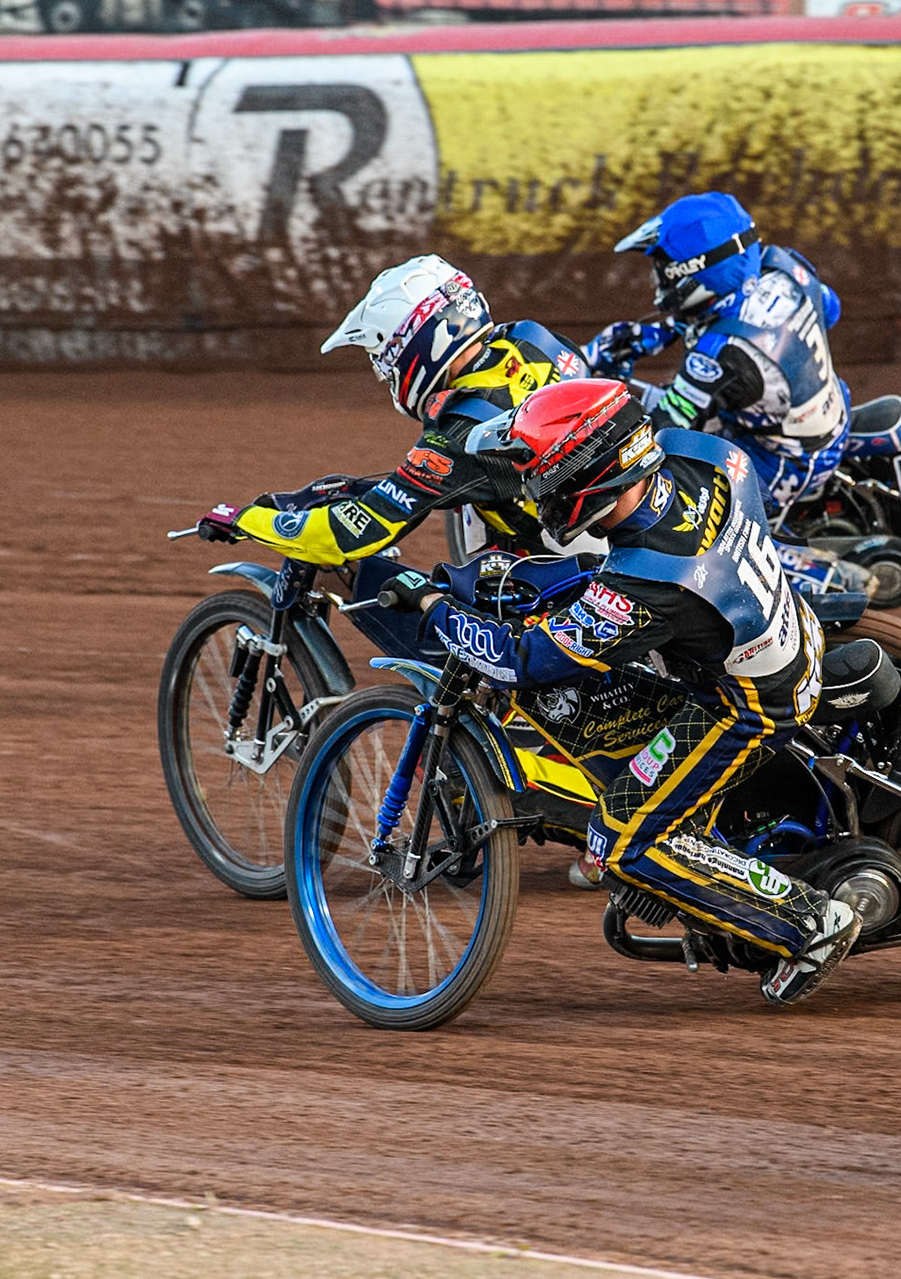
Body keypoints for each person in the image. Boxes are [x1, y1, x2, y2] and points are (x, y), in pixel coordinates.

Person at [385, 376, 862, 1006]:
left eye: (545, 479)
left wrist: (434, 609)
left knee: (619, 837)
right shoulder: (703, 457)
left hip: (748, 703)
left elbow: (520, 660)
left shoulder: (645, 586)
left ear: (587, 482)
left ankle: (808, 925)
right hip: (785, 624)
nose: (536, 492)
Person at [197, 254, 596, 563]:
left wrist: (246, 520)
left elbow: (347, 535)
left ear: (420, 341)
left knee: (437, 605)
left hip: (575, 566)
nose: (384, 368)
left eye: (383, 354)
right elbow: (464, 477)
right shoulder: (533, 342)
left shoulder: (463, 427)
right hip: (628, 513)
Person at [589, 193, 855, 550]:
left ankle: (784, 564)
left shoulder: (721, 353)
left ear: (694, 272)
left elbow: (664, 426)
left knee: (681, 499)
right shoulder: (784, 265)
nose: (658, 282)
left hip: (785, 461)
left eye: (663, 271)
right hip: (825, 408)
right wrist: (661, 333)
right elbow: (830, 309)